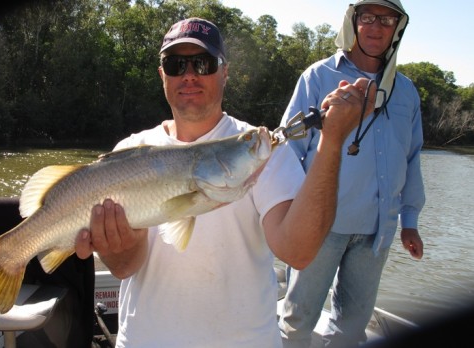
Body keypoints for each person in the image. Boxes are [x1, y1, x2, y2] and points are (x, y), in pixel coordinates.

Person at [74, 17, 376, 347]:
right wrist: (116, 246)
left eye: (203, 63)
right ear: (163, 75)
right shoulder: (129, 153)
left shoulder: (258, 150)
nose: (189, 74)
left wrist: (331, 143)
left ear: (224, 72)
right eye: (176, 64)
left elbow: (298, 251)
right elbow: (124, 267)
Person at [278, 1, 425, 347]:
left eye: (387, 19)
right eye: (368, 17)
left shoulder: (406, 92)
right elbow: (286, 150)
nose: (376, 26)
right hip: (319, 226)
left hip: (377, 232)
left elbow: (412, 157)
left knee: (351, 329)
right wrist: (285, 215)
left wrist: (410, 220)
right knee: (297, 320)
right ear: (353, 22)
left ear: (397, 28)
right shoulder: (317, 77)